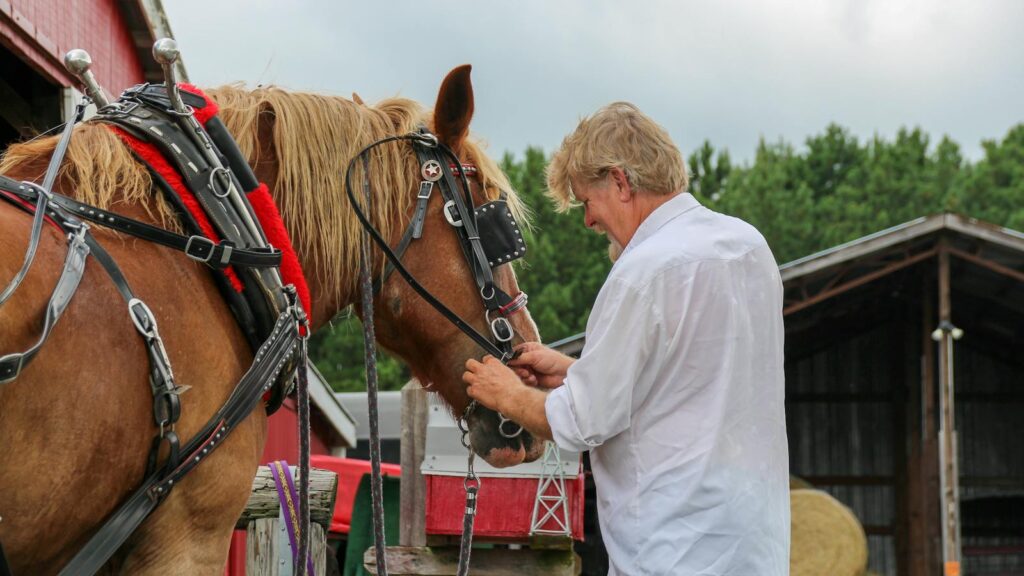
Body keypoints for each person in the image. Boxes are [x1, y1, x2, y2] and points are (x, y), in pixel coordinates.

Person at [462, 102, 790, 575]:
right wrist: (577, 372)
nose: (588, 221)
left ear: (620, 182)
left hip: (672, 552)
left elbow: (581, 421)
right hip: (754, 549)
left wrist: (508, 394)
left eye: (586, 201)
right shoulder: (748, 247)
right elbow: (692, 382)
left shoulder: (642, 271)